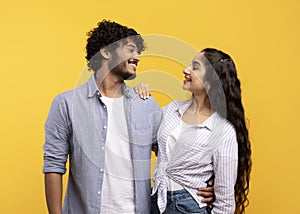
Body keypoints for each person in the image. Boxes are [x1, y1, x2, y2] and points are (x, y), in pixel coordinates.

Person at [43, 20, 214, 214]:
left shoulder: (145, 104)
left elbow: (171, 154)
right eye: (131, 50)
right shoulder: (66, 104)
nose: (138, 57)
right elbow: (54, 165)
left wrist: (209, 181)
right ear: (106, 51)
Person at [137, 48, 251, 213]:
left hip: (188, 206)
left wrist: (213, 187)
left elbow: (225, 204)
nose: (186, 69)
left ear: (210, 83)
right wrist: (137, 97)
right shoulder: (172, 109)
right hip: (157, 201)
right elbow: (153, 143)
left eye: (195, 67)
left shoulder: (223, 132)